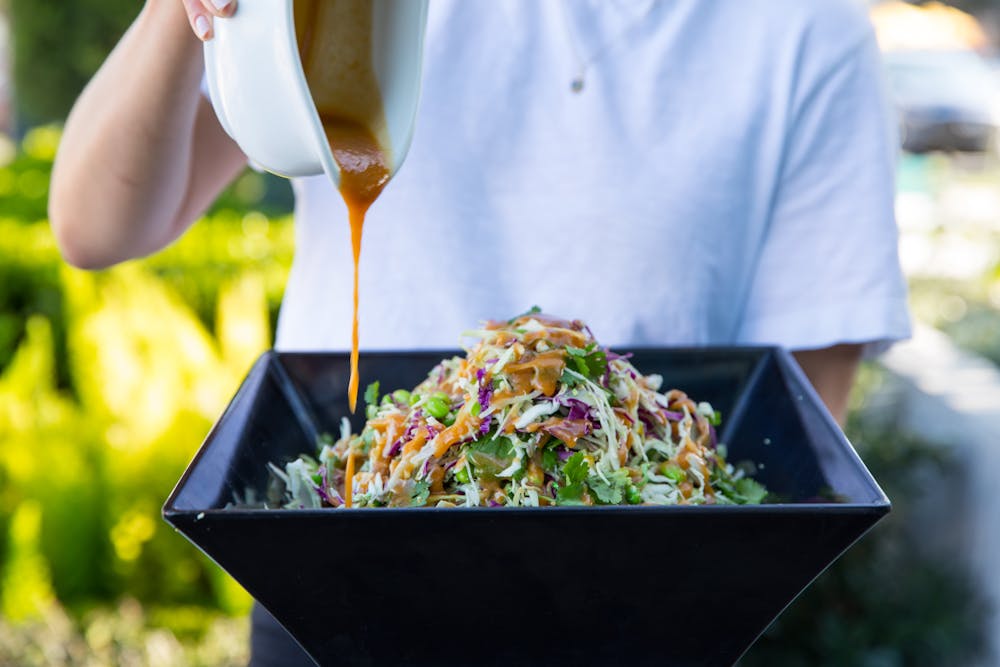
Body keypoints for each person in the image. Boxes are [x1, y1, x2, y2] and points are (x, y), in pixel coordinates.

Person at [49, 0, 911, 663]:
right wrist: (177, 13)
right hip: (332, 587)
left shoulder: (806, 27)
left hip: (641, 617)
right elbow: (96, 226)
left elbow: (797, 425)